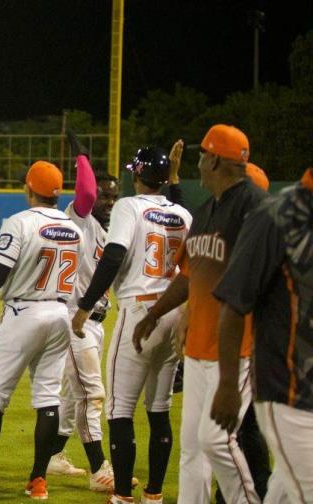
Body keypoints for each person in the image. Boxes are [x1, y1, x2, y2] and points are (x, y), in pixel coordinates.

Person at [133, 125, 265, 504]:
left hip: (240, 349)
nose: (199, 164)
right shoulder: (208, 211)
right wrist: (154, 313)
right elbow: (190, 274)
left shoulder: (254, 209)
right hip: (198, 348)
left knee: (216, 441)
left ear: (216, 160)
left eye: (202, 156)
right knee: (193, 448)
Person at [0, 160, 81, 500]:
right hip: (59, 314)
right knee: (48, 400)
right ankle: (38, 480)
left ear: (28, 188)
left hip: (23, 312)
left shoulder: (20, 222)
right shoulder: (74, 227)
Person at [72, 146, 192, 504]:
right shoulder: (184, 213)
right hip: (174, 310)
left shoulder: (128, 206)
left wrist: (85, 304)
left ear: (137, 176)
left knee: (120, 410)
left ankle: (122, 496)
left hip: (139, 311)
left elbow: (114, 255)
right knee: (159, 410)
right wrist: (175, 179)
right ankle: (154, 495)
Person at [210, 166, 313, 504]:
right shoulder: (275, 216)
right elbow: (233, 302)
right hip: (289, 389)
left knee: (283, 490)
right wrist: (227, 385)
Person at [45, 131, 125, 492]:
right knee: (91, 394)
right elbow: (88, 193)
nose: (107, 201)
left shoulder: (115, 230)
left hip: (96, 322)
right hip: (74, 321)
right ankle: (100, 469)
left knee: (69, 395)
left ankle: (53, 456)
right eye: (104, 195)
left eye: (114, 196)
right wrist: (82, 158)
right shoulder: (79, 218)